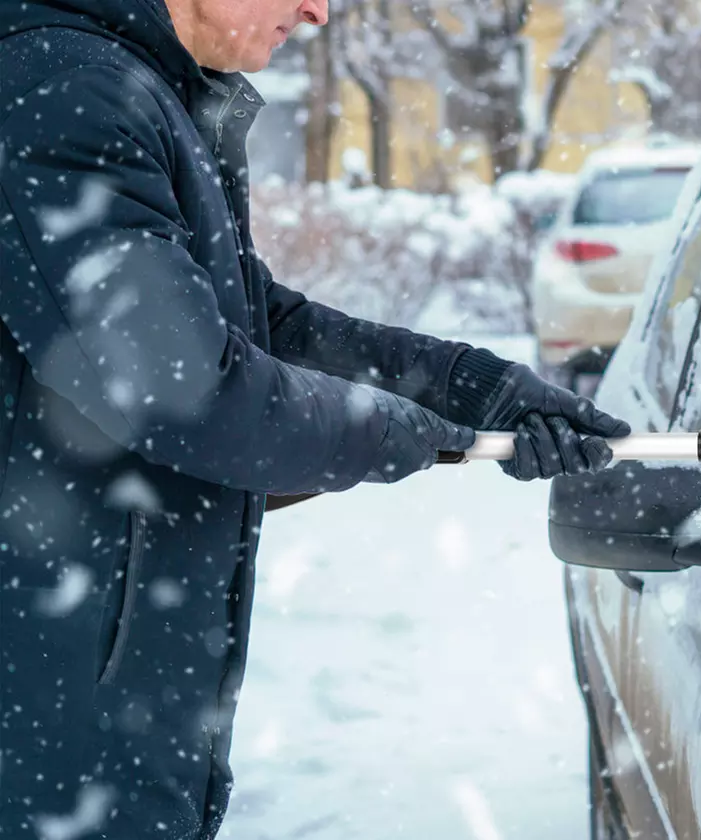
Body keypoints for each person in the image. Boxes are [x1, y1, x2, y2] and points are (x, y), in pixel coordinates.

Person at [0, 0, 631, 836]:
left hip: (91, 684)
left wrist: (472, 387)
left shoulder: (138, 87)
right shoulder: (70, 91)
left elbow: (260, 323)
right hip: (51, 706)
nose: (318, 10)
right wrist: (405, 432)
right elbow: (187, 387)